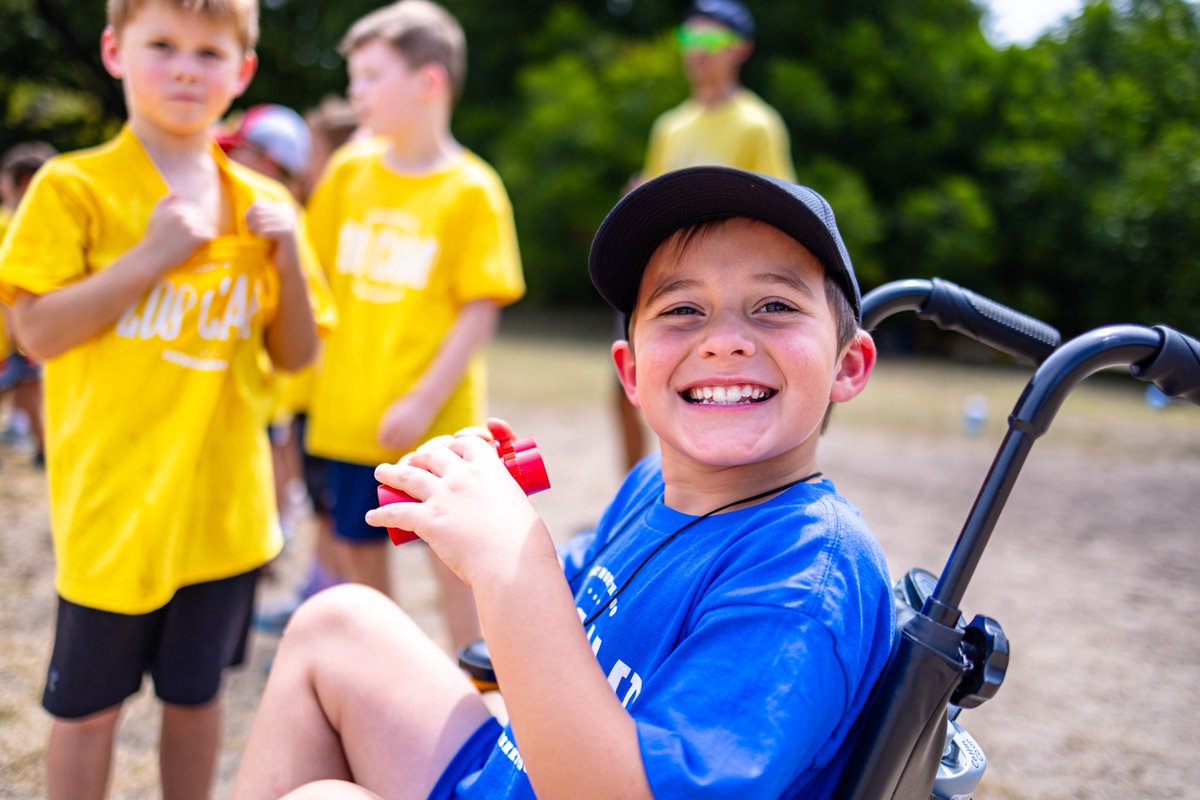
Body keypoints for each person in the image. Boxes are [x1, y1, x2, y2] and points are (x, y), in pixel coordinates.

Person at [232, 165, 896, 800]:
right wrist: (486, 518)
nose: (724, 340)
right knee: (337, 621)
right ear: (631, 373)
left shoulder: (804, 569)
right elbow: (558, 624)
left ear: (849, 365)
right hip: (521, 771)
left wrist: (507, 559)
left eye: (774, 305)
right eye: (683, 310)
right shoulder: (651, 484)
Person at [0, 0, 335, 795]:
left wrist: (287, 261)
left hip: (223, 511)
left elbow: (296, 354)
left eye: (209, 53)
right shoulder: (73, 186)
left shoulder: (264, 204)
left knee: (196, 697)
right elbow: (35, 333)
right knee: (86, 711)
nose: (186, 68)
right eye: (162, 45)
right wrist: (148, 258)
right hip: (114, 510)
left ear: (242, 71)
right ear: (115, 51)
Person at [300, 0, 525, 652]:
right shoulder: (348, 172)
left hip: (437, 423)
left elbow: (480, 306)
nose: (355, 92)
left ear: (429, 81)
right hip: (349, 418)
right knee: (359, 555)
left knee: (456, 562)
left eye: (371, 76)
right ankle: (386, 677)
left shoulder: (472, 189)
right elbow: (311, 276)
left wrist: (424, 400)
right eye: (354, 77)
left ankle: (478, 686)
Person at [616, 0, 798, 472]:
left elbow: (780, 210)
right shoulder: (669, 125)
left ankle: (711, 481)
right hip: (665, 280)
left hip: (727, 288)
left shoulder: (757, 124)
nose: (697, 50)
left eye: (710, 39)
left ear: (741, 48)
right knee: (628, 386)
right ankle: (638, 484)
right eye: (688, 38)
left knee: (710, 388)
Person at [0, 141, 56, 468]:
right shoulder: (22, 225)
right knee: (28, 387)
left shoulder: (17, 224)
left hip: (18, 332)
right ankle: (43, 449)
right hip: (20, 332)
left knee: (29, 387)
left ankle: (43, 450)